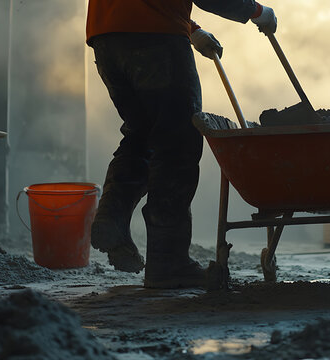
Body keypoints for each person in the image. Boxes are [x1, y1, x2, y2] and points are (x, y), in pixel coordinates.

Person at [86, 0, 277, 288]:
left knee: (141, 133)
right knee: (177, 145)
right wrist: (255, 11)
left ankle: (112, 215)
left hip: (107, 37)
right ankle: (169, 262)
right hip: (156, 38)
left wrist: (192, 29)